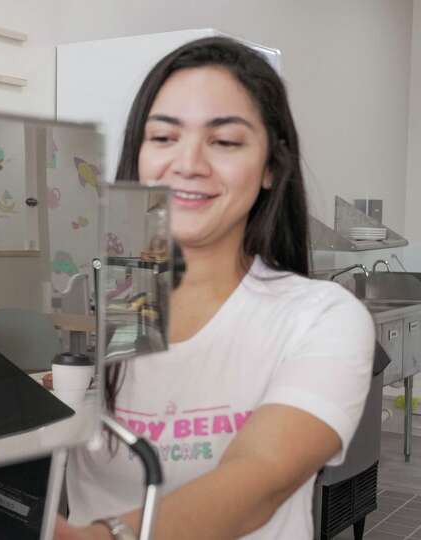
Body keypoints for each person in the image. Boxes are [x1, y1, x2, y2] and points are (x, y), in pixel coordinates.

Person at [55, 37, 375, 539]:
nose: (188, 163)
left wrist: (102, 537)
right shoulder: (124, 309)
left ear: (271, 167)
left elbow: (256, 481)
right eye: (163, 137)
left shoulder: (320, 317)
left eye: (224, 141)